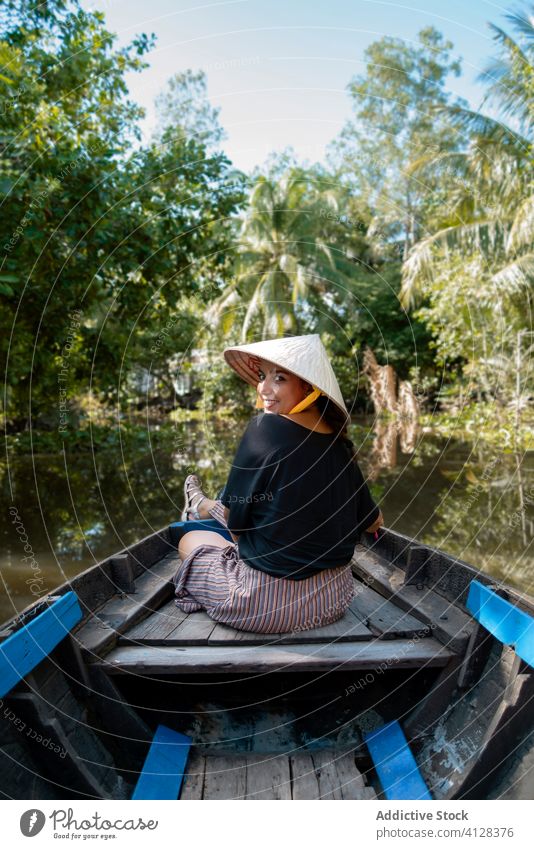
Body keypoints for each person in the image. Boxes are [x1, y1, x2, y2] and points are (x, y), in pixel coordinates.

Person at [174, 333, 384, 634]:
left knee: (190, 541)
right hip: (333, 601)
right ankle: (202, 504)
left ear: (309, 388)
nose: (263, 388)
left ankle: (199, 507)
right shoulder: (340, 446)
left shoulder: (264, 428)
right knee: (262, 507)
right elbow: (374, 522)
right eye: (262, 376)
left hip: (265, 607)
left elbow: (236, 529)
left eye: (279, 378)